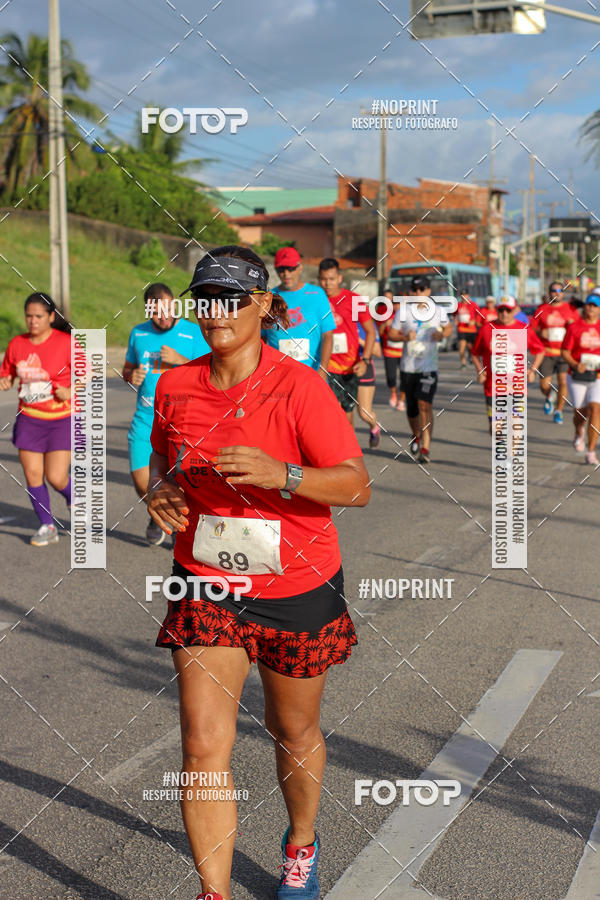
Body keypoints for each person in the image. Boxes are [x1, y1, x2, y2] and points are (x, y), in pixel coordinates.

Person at [147, 245, 371, 900]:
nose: (216, 312)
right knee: (200, 744)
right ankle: (213, 892)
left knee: (292, 730)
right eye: (205, 299)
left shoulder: (299, 386)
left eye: (231, 298)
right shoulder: (175, 384)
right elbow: (166, 470)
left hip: (295, 585)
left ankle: (300, 843)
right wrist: (158, 493)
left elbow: (356, 485)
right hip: (205, 579)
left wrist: (286, 476)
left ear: (263, 307)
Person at [122, 282, 208, 546]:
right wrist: (130, 376)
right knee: (142, 482)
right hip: (145, 419)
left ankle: (181, 529)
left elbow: (211, 372)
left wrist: (182, 361)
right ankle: (158, 513)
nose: (164, 316)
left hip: (181, 420)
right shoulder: (138, 333)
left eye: (168, 309)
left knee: (182, 482)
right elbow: (128, 369)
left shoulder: (193, 333)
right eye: (157, 312)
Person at [0, 292, 72, 546]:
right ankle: (47, 525)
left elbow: (88, 373)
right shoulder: (17, 344)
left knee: (56, 477)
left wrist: (71, 389)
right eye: (28, 316)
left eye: (38, 316)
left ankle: (76, 500)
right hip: (29, 419)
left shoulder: (66, 343)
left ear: (51, 317)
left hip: (60, 420)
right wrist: (6, 380)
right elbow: (6, 373)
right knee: (33, 475)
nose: (32, 321)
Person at [387, 275, 452, 463]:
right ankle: (416, 434)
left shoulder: (438, 311)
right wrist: (405, 338)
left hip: (429, 368)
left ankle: (425, 447)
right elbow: (391, 334)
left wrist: (440, 334)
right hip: (408, 367)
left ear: (428, 292)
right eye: (415, 290)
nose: (418, 293)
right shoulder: (404, 312)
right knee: (412, 409)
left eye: (422, 289)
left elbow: (448, 329)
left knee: (425, 405)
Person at [317, 257, 380, 448]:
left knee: (351, 413)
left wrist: (366, 359)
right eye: (323, 279)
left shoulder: (353, 300)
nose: (327, 283)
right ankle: (342, 451)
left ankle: (354, 444)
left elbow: (370, 331)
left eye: (331, 279)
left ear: (339, 278)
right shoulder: (316, 299)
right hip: (327, 366)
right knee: (332, 413)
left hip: (351, 366)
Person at [470, 296, 545, 434]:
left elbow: (540, 350)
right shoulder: (487, 329)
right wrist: (480, 370)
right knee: (496, 429)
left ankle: (512, 454)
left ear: (514, 310)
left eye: (508, 310)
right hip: (492, 386)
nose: (504, 313)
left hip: (517, 385)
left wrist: (532, 370)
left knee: (515, 424)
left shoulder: (524, 329)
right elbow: (475, 353)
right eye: (501, 310)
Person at [261, 246, 335, 378]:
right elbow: (261, 337)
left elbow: (327, 335)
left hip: (311, 375)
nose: (286, 274)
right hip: (277, 376)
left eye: (290, 268)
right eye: (281, 269)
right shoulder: (269, 297)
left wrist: (323, 369)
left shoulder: (317, 294)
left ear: (300, 267)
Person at [561, 294, 600, 464]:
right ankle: (579, 431)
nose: (591, 308)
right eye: (589, 305)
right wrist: (576, 364)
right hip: (577, 375)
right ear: (584, 307)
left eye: (595, 306)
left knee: (595, 409)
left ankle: (591, 451)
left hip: (597, 376)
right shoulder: (574, 327)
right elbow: (565, 352)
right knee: (580, 413)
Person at [532, 281, 576, 424]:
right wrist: (540, 332)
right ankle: (549, 395)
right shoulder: (542, 309)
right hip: (546, 353)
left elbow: (578, 330)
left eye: (560, 290)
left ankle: (559, 411)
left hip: (564, 354)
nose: (557, 293)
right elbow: (531, 329)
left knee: (563, 382)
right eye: (554, 290)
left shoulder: (570, 309)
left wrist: (571, 326)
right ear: (549, 292)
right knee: (544, 385)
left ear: (563, 293)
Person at [377, 288, 405, 410]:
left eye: (400, 304)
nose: (397, 306)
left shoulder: (407, 317)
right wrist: (385, 324)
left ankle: (402, 400)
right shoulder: (386, 315)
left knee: (405, 377)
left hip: (404, 352)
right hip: (389, 351)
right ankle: (393, 393)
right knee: (391, 376)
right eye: (395, 304)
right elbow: (379, 332)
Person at [455, 291, 480, 367]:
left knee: (470, 347)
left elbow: (479, 314)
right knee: (462, 347)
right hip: (461, 329)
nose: (464, 296)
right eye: (462, 295)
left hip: (471, 329)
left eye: (465, 294)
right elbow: (454, 315)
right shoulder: (458, 305)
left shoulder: (473, 304)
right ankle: (463, 362)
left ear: (468, 295)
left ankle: (470, 356)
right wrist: (455, 320)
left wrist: (475, 321)